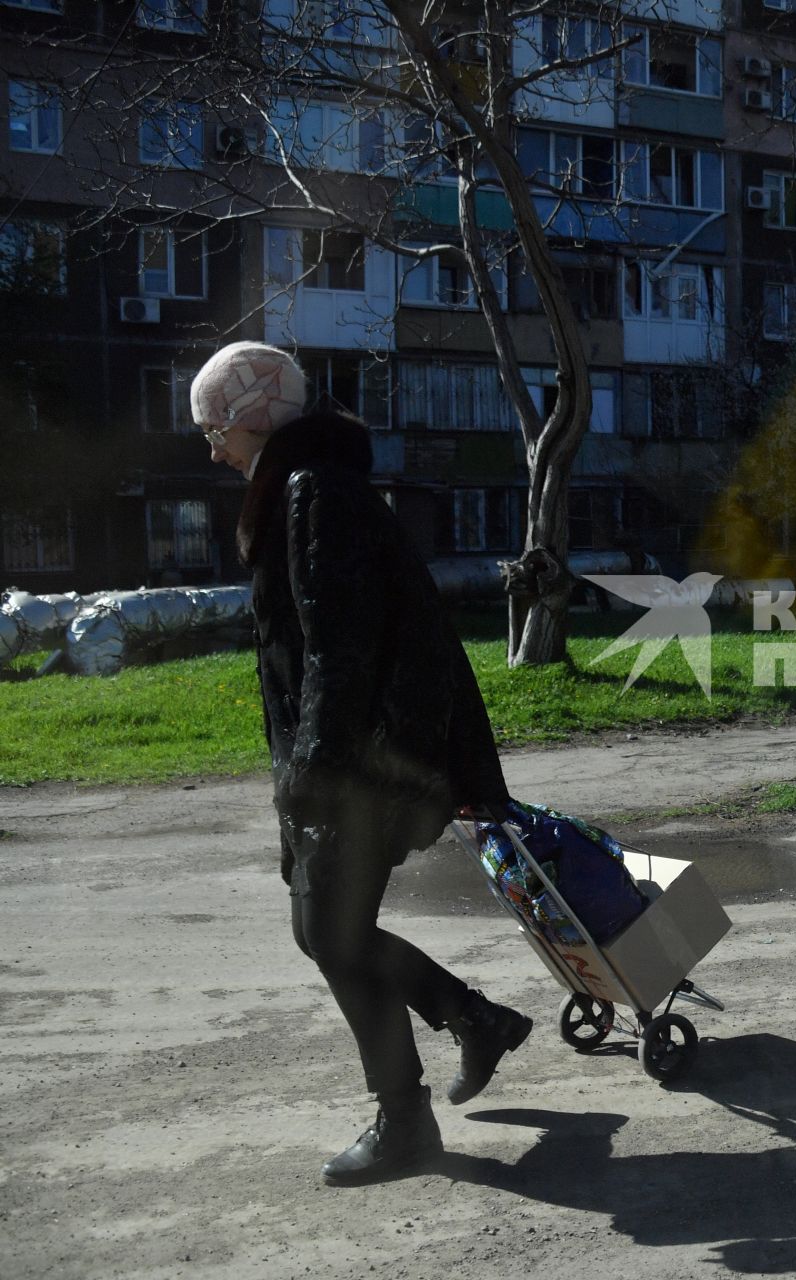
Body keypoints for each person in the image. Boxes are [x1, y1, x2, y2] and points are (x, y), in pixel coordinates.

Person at [195, 341, 533, 1185]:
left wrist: (315, 767)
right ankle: (469, 1021)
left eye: (213, 427)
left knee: (328, 932)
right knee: (330, 933)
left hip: (359, 764)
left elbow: (338, 650)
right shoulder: (312, 488)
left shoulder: (312, 492)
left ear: (252, 414)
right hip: (359, 757)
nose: (212, 448)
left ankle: (412, 1113)